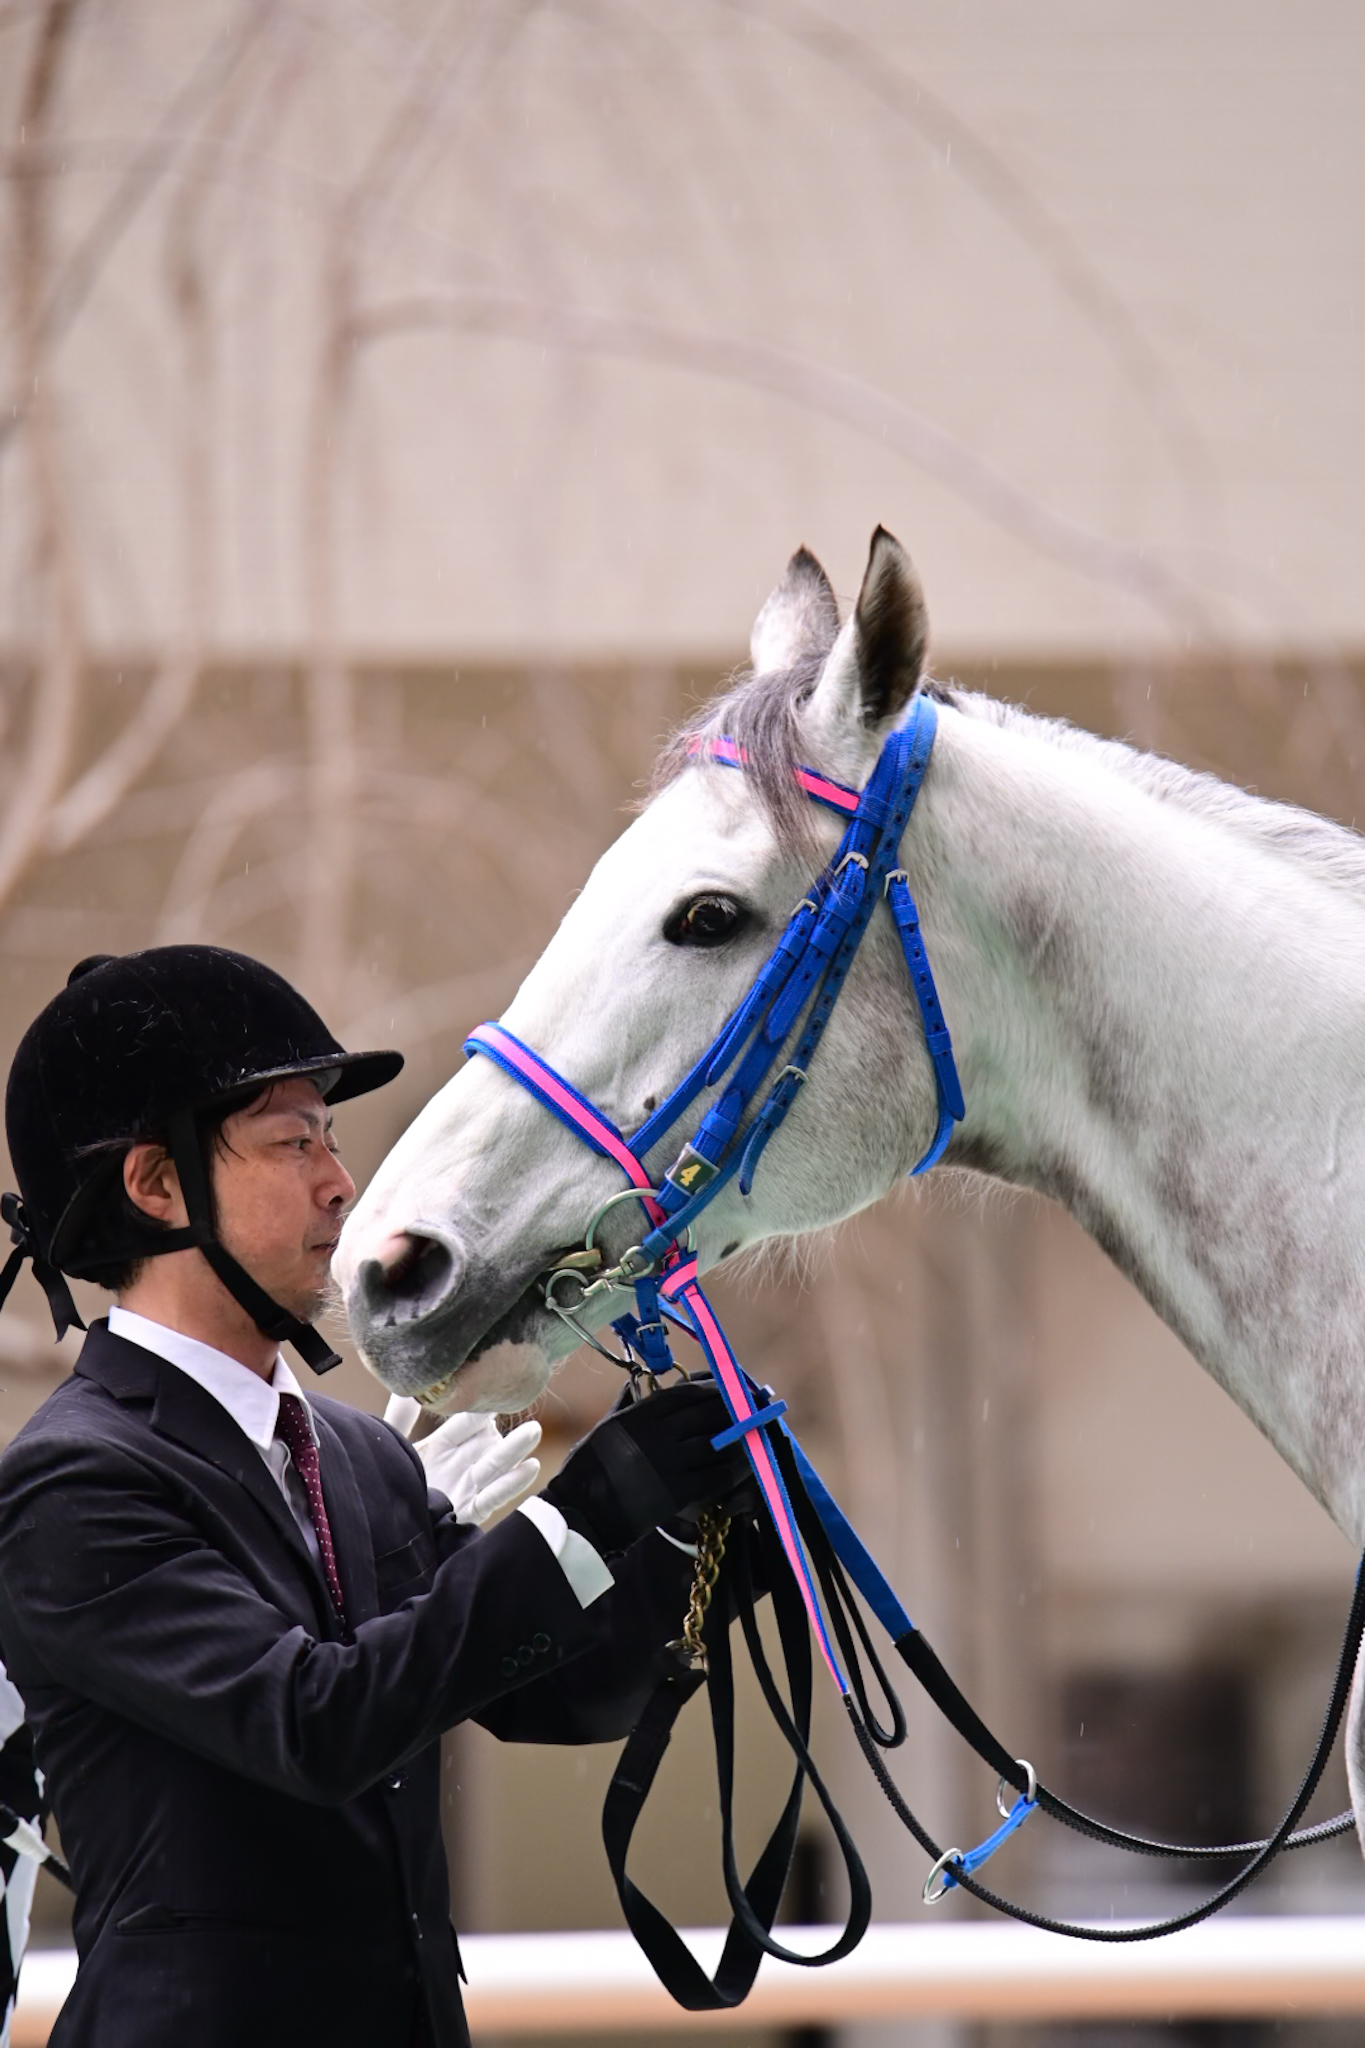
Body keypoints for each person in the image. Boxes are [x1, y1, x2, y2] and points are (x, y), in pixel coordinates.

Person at [0, 947, 748, 2048]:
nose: (339, 1180)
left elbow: (546, 1694)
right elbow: (318, 1721)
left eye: (331, 1137)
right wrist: (582, 1507)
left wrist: (701, 1526)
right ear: (157, 1185)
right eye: (292, 1140)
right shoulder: (73, 1480)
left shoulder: (353, 1451)